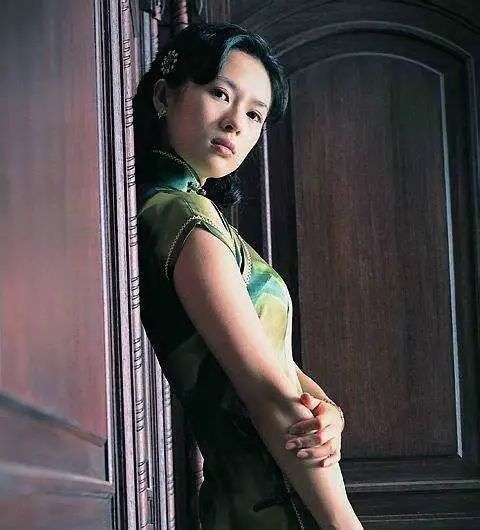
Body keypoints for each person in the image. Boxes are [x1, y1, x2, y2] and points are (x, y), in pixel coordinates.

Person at [134, 22, 362, 530]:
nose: (236, 122)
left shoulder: (195, 215)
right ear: (165, 96)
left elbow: (277, 367)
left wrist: (329, 408)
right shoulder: (183, 218)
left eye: (255, 113)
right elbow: (264, 393)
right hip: (277, 503)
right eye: (221, 93)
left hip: (267, 494)